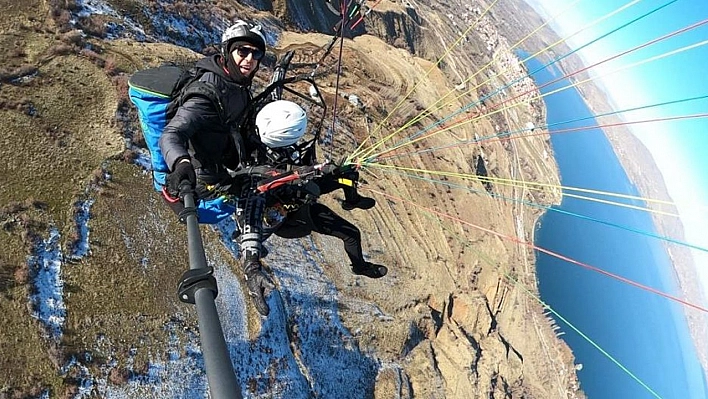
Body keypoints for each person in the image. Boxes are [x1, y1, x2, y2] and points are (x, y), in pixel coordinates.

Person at [237, 100, 388, 316]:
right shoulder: (256, 182)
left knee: (347, 173)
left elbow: (297, 172)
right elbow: (250, 224)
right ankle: (360, 266)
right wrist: (252, 263)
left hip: (302, 187)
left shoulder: (269, 145)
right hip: (296, 214)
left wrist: (330, 170)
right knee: (352, 234)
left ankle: (352, 200)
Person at [159, 20, 267, 223]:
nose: (250, 59)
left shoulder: (237, 84)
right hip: (203, 177)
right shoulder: (206, 94)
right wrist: (181, 163)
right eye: (242, 51)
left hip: (223, 163)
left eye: (256, 54)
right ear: (227, 51)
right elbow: (171, 134)